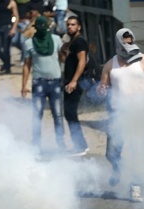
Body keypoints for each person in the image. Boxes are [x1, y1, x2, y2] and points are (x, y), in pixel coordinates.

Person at [97, 28, 144, 195]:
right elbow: (103, 85)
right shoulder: (110, 64)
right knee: (111, 152)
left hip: (139, 113)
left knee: (138, 152)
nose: (127, 45)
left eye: (130, 42)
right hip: (117, 113)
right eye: (124, 42)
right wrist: (102, 89)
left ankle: (136, 186)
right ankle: (117, 169)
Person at [21, 15, 65, 152]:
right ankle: (36, 146)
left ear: (47, 27)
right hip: (38, 83)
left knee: (58, 115)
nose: (41, 29)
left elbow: (63, 58)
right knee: (37, 116)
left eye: (43, 27)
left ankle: (61, 143)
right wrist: (23, 86)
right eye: (39, 27)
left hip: (56, 82)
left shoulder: (56, 40)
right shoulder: (29, 43)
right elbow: (26, 65)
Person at [59, 16, 89, 155]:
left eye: (73, 25)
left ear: (79, 27)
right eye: (68, 25)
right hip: (69, 82)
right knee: (69, 114)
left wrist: (74, 81)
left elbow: (82, 61)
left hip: (75, 83)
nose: (70, 27)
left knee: (70, 113)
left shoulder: (80, 42)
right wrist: (63, 49)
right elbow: (63, 60)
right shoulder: (71, 42)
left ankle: (80, 145)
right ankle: (79, 144)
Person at [0, 0, 19, 75]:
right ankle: (6, 63)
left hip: (7, 27)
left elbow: (16, 16)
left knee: (6, 49)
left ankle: (7, 68)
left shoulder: (12, 3)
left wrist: (13, 28)